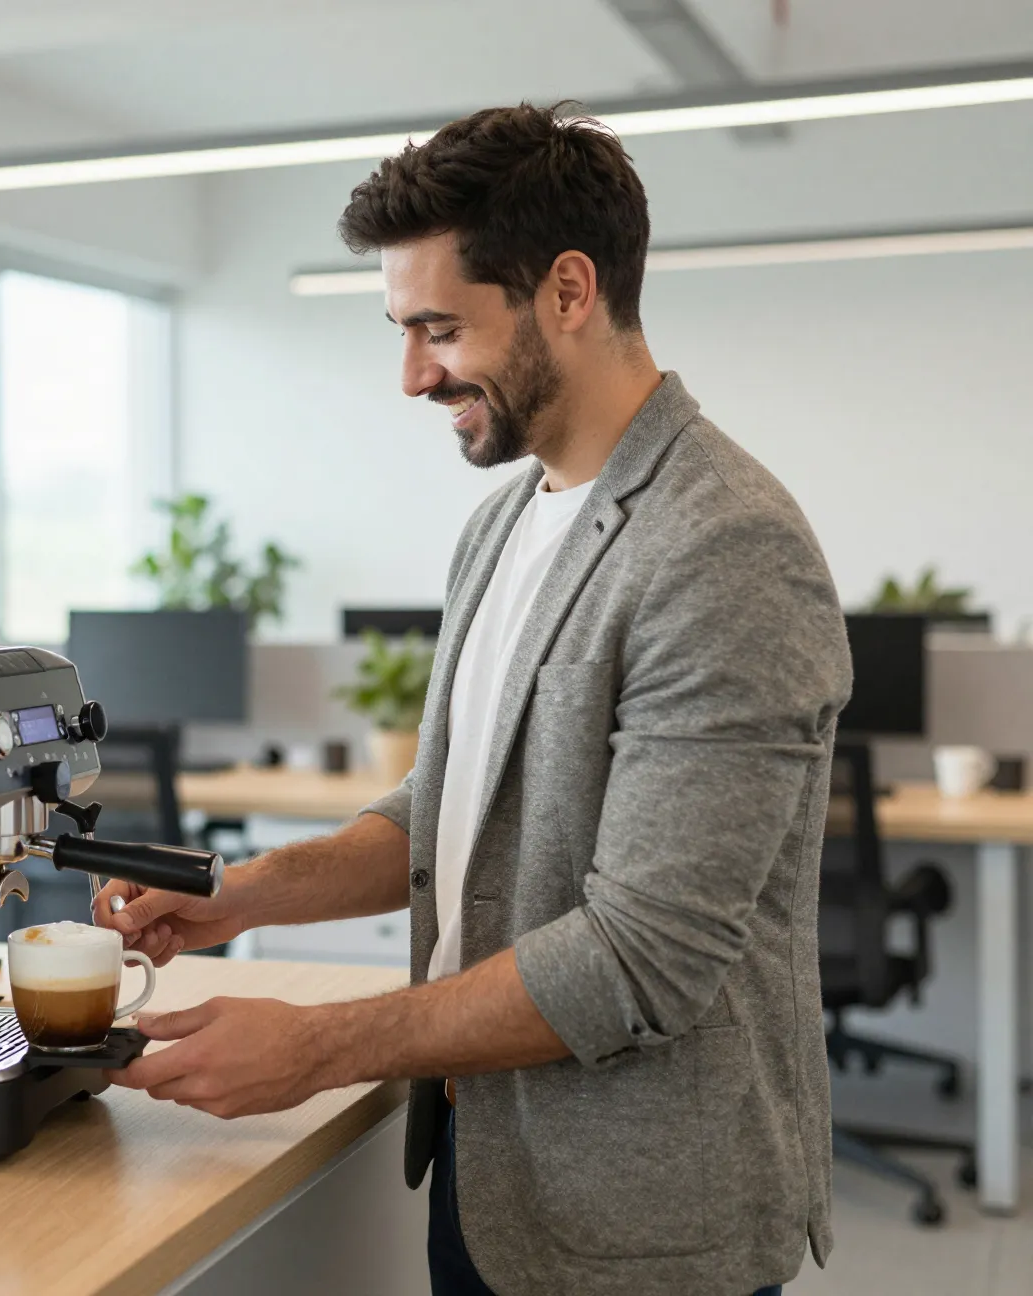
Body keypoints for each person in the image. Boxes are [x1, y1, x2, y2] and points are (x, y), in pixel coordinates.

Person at [98, 103, 852, 1296]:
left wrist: (319, 1047)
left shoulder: (725, 547)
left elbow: (641, 955)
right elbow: (446, 807)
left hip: (643, 1226)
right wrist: (243, 896)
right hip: (492, 1172)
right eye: (402, 330)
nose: (410, 376)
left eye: (440, 328)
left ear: (567, 290)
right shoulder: (505, 521)